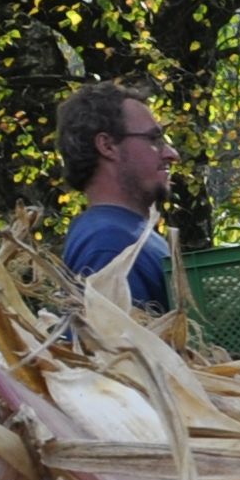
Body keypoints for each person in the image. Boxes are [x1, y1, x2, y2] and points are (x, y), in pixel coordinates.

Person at [56, 83, 177, 311]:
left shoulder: (124, 234)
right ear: (108, 146)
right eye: (154, 139)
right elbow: (114, 334)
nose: (172, 154)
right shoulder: (108, 244)